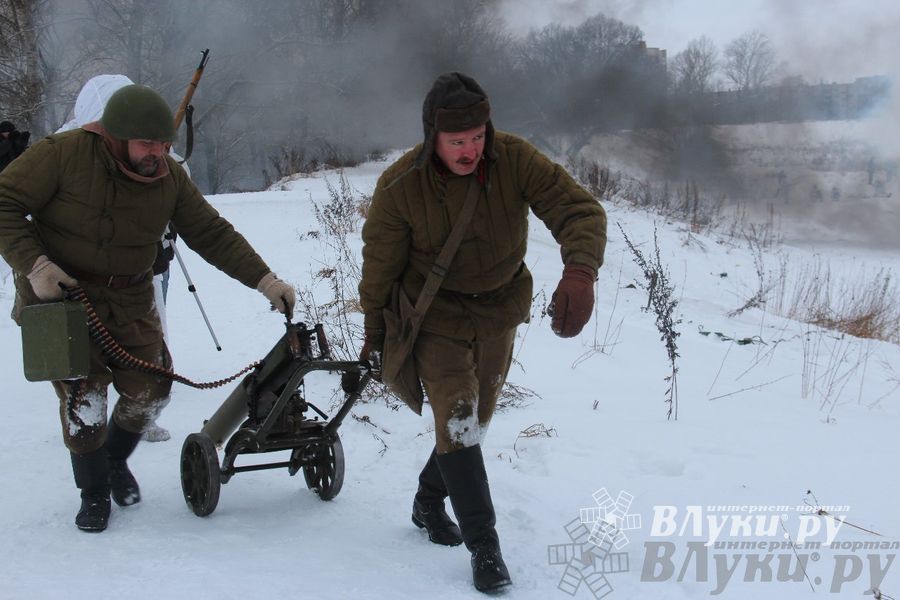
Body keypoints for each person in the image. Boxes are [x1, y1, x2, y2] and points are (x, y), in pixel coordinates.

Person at [0, 84, 296, 532]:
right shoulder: (61, 155)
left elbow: (210, 232)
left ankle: (114, 459)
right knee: (86, 400)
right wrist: (35, 265)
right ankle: (94, 491)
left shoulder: (169, 177)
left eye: (164, 144)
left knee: (150, 390)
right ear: (112, 136)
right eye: (145, 144)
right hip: (61, 298)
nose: (156, 153)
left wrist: (265, 279)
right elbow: (4, 201)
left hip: (131, 297)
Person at [358, 72, 606, 593]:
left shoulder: (513, 158)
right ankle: (485, 547)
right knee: (459, 414)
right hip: (435, 317)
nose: (471, 149)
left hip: (498, 310)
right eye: (457, 142)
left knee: (474, 422)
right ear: (433, 138)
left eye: (477, 137)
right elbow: (379, 269)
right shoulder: (401, 186)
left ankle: (428, 502)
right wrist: (375, 334)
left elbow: (577, 209)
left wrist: (580, 271)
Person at [57, 74, 186, 443]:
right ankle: (93, 473)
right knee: (81, 380)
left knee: (147, 359)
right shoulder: (67, 149)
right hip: (74, 283)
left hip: (140, 271)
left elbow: (185, 193)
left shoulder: (154, 147)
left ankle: (127, 434)